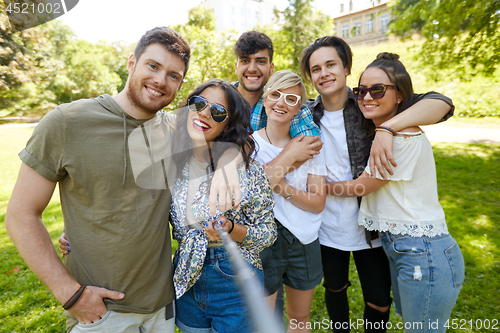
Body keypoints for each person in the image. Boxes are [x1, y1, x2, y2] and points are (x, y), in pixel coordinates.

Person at [5, 27, 239, 333]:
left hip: (162, 308)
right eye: (153, 66)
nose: (160, 80)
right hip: (100, 312)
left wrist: (227, 162)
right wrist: (70, 294)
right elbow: (21, 215)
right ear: (132, 63)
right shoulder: (65, 123)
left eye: (173, 75)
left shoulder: (176, 131)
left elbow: (232, 135)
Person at [299, 36, 455, 332]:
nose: (324, 73)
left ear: (346, 67)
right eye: (316, 68)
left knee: (379, 300)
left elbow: (441, 104)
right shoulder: (306, 114)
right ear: (310, 76)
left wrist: (386, 128)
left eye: (331, 64)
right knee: (334, 289)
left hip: (371, 226)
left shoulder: (369, 102)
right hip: (326, 225)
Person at [170, 79, 277, 333]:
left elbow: (268, 233)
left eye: (217, 112)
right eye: (199, 104)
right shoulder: (174, 163)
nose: (204, 113)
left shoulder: (246, 170)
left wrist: (231, 228)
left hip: (234, 284)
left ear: (227, 124)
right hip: (186, 281)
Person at [253, 70, 326, 332]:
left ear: (299, 108)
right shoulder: (249, 145)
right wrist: (290, 154)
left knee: (299, 319)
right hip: (264, 242)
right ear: (265, 98)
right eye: (276, 94)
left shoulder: (312, 145)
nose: (281, 103)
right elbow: (255, 190)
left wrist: (282, 188)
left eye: (291, 99)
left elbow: (318, 202)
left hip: (303, 240)